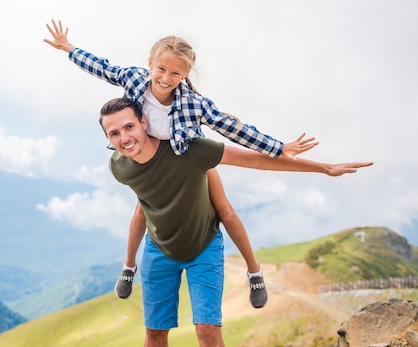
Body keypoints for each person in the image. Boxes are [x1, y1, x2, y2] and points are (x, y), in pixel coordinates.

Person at [44, 19, 317, 308]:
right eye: (161, 69)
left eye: (175, 72)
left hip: (186, 156)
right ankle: (128, 267)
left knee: (224, 210)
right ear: (150, 63)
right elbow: (102, 68)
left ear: (185, 73)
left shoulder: (193, 104)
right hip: (147, 158)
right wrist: (69, 49)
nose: (165, 77)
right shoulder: (135, 79)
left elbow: (233, 129)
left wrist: (278, 147)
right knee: (143, 209)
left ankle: (255, 272)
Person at [99, 97, 372, 347]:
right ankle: (129, 269)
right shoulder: (120, 167)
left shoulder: (190, 151)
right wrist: (129, 264)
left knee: (207, 330)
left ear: (144, 122)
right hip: (159, 250)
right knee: (155, 333)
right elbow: (143, 206)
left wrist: (323, 168)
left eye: (129, 127)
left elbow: (258, 162)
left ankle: (255, 272)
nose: (125, 138)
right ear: (108, 139)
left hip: (203, 248)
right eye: (114, 133)